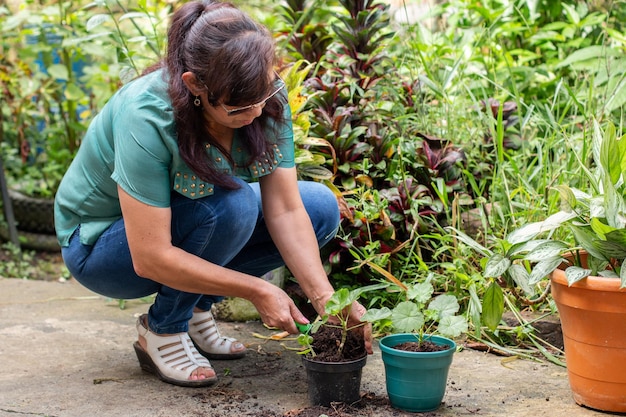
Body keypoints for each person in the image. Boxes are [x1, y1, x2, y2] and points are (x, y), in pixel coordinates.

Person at [54, 0, 372, 388]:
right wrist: (257, 289)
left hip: (188, 221)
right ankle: (164, 330)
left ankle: (195, 308)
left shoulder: (265, 95)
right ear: (195, 86)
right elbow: (149, 255)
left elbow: (287, 211)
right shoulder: (146, 115)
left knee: (318, 207)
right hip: (102, 248)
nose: (255, 113)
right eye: (238, 108)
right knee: (232, 204)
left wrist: (326, 300)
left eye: (263, 97)